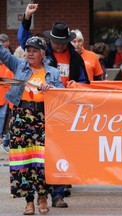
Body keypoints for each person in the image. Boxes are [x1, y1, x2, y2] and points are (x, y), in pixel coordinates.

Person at [17, 3, 90, 208]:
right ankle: (39, 196)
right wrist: (27, 18)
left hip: (63, 108)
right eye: (55, 42)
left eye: (61, 42)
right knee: (39, 153)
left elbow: (85, 81)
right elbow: (24, 40)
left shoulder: (75, 57)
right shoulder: (43, 52)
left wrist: (78, 84)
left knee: (59, 150)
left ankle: (57, 194)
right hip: (42, 108)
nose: (58, 46)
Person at [0, 35, 64, 215]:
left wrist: (51, 88)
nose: (30, 53)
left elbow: (62, 94)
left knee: (42, 161)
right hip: (21, 117)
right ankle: (28, 201)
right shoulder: (18, 65)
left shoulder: (52, 72)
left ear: (42, 53)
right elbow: (3, 54)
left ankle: (42, 197)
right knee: (23, 160)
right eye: (28, 50)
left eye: (34, 50)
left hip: (43, 117)